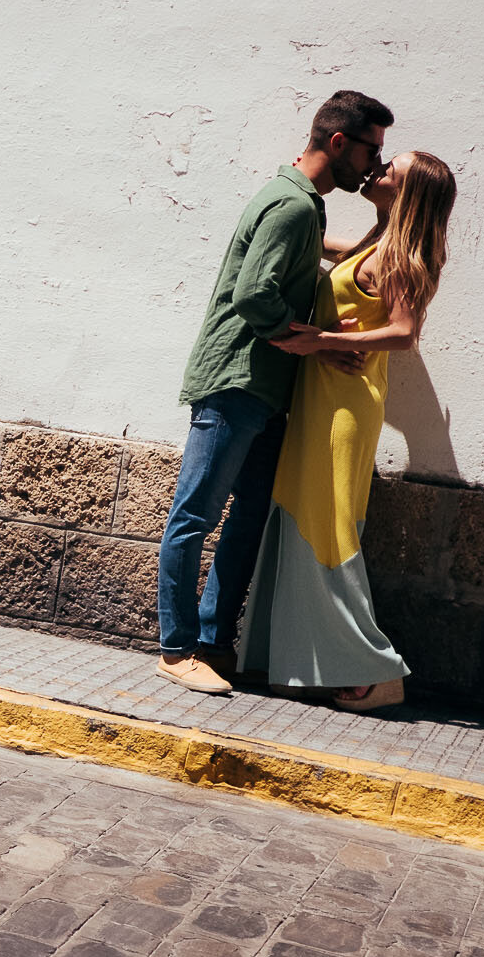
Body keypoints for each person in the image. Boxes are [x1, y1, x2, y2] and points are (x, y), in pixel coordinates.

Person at [155, 91, 392, 695]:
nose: (373, 165)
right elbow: (254, 297)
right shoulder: (290, 206)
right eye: (371, 150)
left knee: (246, 521)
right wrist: (322, 343)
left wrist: (389, 223)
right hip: (236, 379)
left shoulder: (302, 205)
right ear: (338, 142)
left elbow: (328, 262)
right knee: (196, 516)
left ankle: (213, 643)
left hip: (266, 389)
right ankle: (176, 648)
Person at [239, 150, 459, 711]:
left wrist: (324, 343)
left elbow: (404, 332)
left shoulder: (400, 256)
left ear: (407, 195)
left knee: (330, 529)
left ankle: (372, 670)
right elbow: (327, 252)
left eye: (392, 172)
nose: (378, 172)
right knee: (303, 515)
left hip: (344, 407)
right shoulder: (376, 243)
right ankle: (297, 660)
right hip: (323, 400)